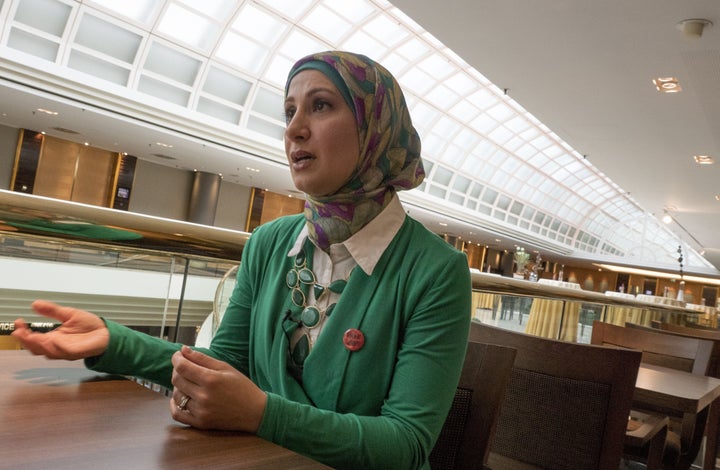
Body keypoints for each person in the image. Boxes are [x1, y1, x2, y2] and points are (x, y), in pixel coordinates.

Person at [13, 50, 472, 469]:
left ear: (376, 126)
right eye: (289, 110)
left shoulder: (435, 271)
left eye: (321, 105)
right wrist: (113, 342)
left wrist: (259, 412)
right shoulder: (270, 242)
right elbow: (225, 362)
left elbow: (406, 445)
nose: (293, 128)